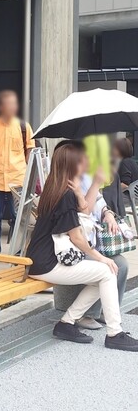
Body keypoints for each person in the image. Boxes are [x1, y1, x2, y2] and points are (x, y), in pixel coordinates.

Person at [27, 143, 138, 350]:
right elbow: (77, 238)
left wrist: (79, 194)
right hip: (48, 263)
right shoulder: (64, 195)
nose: (86, 163)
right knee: (107, 271)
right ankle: (114, 333)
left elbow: (82, 215)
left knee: (104, 275)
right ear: (72, 166)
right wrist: (102, 258)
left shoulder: (56, 190)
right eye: (81, 160)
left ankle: (67, 323)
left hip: (42, 258)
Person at [53, 140, 128, 331]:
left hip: (89, 239)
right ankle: (87, 314)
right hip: (74, 246)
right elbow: (83, 213)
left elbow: (99, 202)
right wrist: (94, 184)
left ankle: (107, 310)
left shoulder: (86, 175)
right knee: (108, 268)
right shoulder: (67, 184)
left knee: (121, 264)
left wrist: (108, 213)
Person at [0, 90, 34, 254]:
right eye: (8, 104)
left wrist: (20, 166)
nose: (12, 107)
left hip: (17, 179)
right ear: (0, 107)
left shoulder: (24, 127)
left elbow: (30, 151)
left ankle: (18, 251)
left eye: (14, 104)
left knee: (18, 217)